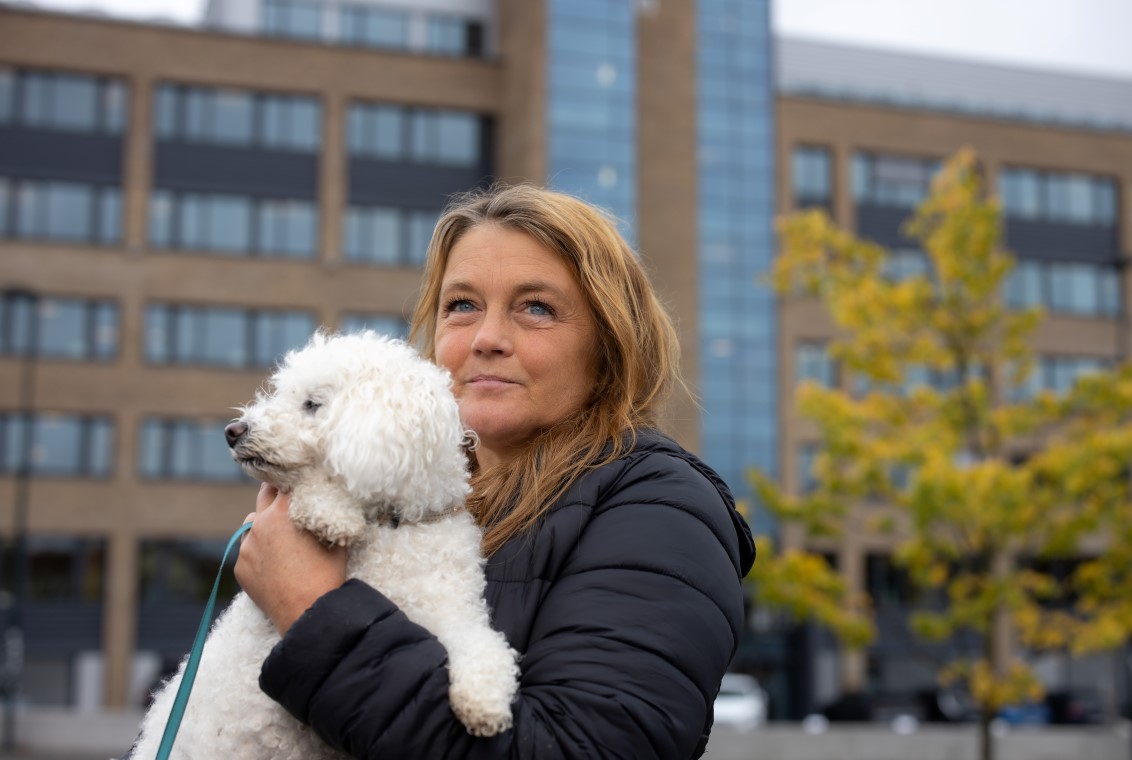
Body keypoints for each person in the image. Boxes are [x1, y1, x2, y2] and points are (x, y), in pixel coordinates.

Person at [235, 183, 756, 758]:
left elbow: (579, 748)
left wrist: (312, 612)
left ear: (610, 345)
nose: (486, 339)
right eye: (461, 305)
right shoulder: (403, 501)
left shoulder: (660, 508)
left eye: (536, 308)